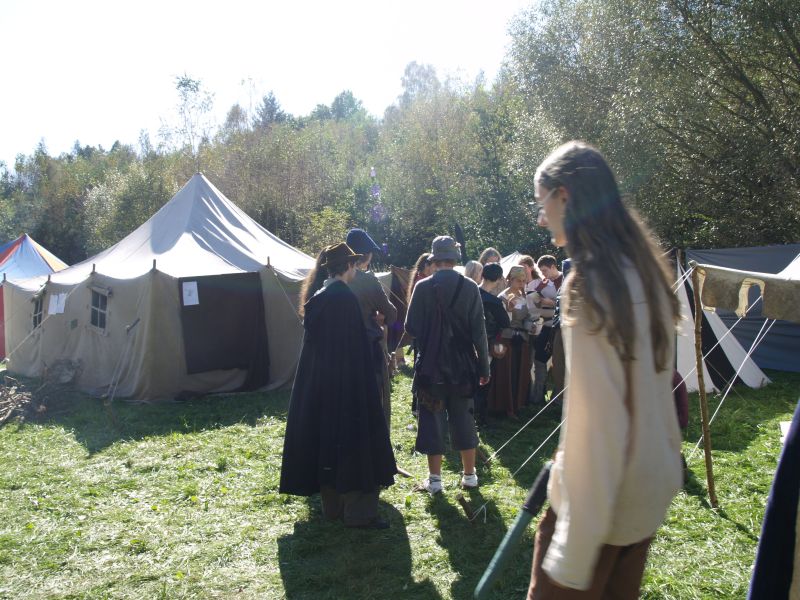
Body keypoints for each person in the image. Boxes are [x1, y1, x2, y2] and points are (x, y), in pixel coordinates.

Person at [527, 141, 682, 597]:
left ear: (564, 196)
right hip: (647, 488)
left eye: (541, 202)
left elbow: (600, 427)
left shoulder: (591, 284)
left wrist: (572, 551)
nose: (541, 219)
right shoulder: (647, 271)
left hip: (600, 505)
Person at [279, 243, 396, 530]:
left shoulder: (319, 296)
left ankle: (332, 508)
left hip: (323, 387)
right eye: (354, 264)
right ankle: (359, 513)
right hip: (348, 386)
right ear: (348, 266)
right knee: (357, 443)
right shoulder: (343, 298)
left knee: (329, 443)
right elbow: (352, 348)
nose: (356, 269)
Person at [405, 235, 490, 494]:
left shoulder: (422, 287)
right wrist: (484, 368)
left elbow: (411, 327)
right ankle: (470, 476)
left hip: (430, 368)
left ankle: (435, 481)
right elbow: (479, 332)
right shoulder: (471, 287)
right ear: (454, 259)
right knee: (464, 418)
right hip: (463, 367)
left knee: (432, 420)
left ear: (434, 260)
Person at [345, 227, 397, 427]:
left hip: (341, 350)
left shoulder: (333, 278)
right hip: (368, 348)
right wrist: (381, 317)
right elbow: (391, 314)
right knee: (374, 402)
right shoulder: (367, 280)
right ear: (366, 256)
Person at [490, 265, 533, 418]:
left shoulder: (523, 296)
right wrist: (508, 309)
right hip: (506, 340)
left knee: (520, 372)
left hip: (521, 339)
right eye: (518, 281)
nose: (521, 284)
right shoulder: (502, 297)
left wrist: (531, 325)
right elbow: (501, 322)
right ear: (510, 279)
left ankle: (517, 404)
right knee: (507, 373)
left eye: (523, 281)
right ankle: (505, 406)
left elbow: (527, 317)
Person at [475, 262, 510, 428]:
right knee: (483, 381)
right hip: (486, 345)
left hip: (465, 343)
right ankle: (480, 418)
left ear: (482, 275)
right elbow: (505, 323)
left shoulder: (470, 293)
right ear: (498, 279)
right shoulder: (494, 302)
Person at [529, 255, 563, 405]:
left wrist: (553, 303)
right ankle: (538, 396)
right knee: (540, 359)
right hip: (547, 326)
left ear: (553, 267)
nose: (543, 274)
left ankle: (558, 398)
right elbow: (534, 300)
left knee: (560, 362)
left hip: (561, 328)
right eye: (541, 271)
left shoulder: (566, 280)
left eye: (544, 270)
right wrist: (540, 301)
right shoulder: (544, 283)